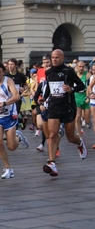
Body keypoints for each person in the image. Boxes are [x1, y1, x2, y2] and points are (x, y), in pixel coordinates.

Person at [41, 49, 87, 177]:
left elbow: (81, 86)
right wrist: (43, 98)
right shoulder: (48, 72)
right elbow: (49, 88)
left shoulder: (68, 71)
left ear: (62, 58)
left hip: (68, 106)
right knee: (52, 135)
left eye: (57, 57)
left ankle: (80, 143)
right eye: (53, 57)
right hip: (54, 106)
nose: (54, 59)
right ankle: (52, 163)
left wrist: (71, 89)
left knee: (70, 137)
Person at [0, 61, 29, 179]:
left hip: (9, 116)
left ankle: (18, 137)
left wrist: (3, 103)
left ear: (3, 72)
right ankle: (8, 169)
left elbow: (16, 96)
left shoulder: (8, 81)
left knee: (11, 147)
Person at [74, 61, 91, 137]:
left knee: (87, 120)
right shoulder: (74, 75)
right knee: (77, 117)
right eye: (80, 67)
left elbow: (89, 87)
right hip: (77, 98)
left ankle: (86, 122)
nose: (81, 68)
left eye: (83, 67)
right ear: (76, 67)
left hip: (85, 98)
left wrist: (88, 96)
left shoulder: (87, 75)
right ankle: (80, 135)